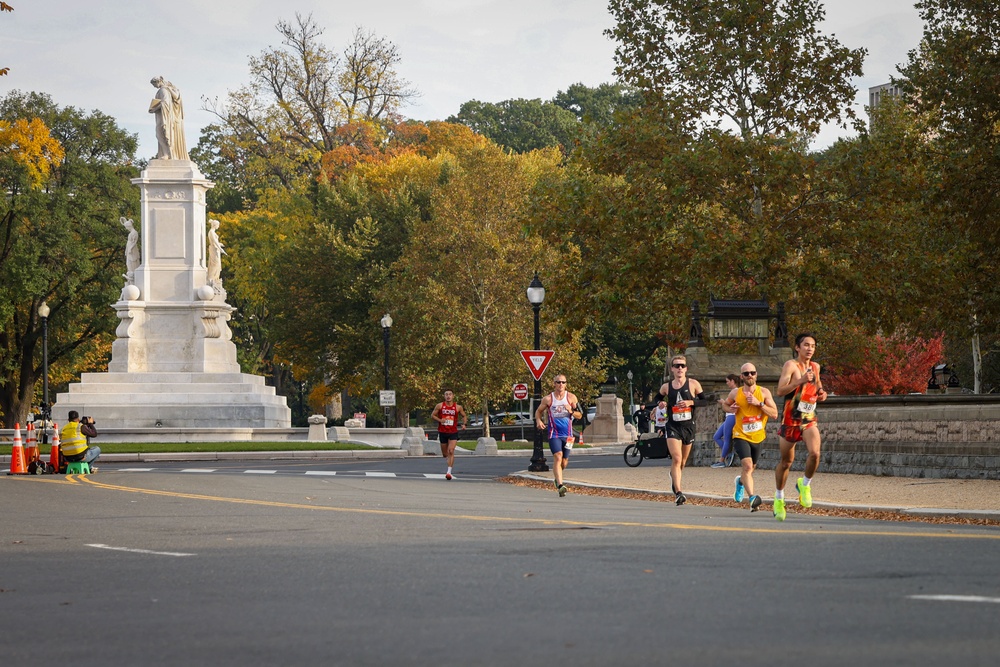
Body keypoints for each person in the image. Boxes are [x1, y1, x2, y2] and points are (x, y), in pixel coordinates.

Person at [773, 333, 829, 521]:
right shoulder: (791, 366)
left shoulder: (815, 367)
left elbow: (817, 384)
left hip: (808, 418)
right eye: (806, 345)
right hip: (790, 420)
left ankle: (805, 485)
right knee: (786, 462)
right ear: (797, 347)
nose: (810, 348)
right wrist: (799, 381)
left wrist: (821, 393)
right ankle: (779, 498)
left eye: (813, 345)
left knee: (815, 453)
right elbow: (780, 391)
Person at [723, 363, 778, 512]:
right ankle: (753, 498)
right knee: (747, 466)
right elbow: (725, 406)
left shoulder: (764, 392)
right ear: (741, 376)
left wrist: (758, 403)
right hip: (741, 434)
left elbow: (774, 414)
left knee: (751, 469)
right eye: (746, 373)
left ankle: (740, 482)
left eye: (752, 373)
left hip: (758, 436)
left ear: (756, 374)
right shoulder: (736, 393)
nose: (750, 376)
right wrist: (730, 408)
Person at [657, 355, 706, 506]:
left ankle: (674, 475)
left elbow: (704, 401)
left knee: (683, 462)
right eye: (677, 366)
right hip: (673, 426)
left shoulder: (693, 384)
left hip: (688, 426)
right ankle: (678, 493)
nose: (679, 368)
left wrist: (691, 402)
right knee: (676, 458)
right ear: (672, 369)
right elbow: (656, 400)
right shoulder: (667, 387)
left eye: (682, 366)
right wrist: (661, 404)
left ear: (686, 369)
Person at [534, 374, 582, 497]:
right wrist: (538, 421)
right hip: (554, 433)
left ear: (566, 384)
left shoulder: (571, 398)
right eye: (558, 382)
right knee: (558, 456)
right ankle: (560, 485)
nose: (561, 384)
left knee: (564, 461)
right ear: (554, 383)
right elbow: (538, 411)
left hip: (569, 435)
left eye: (563, 382)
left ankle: (557, 477)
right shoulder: (548, 399)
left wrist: (570, 410)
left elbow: (580, 415)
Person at [148, 76, 188, 160]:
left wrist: (154, 109)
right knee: (161, 134)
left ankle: (167, 153)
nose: (154, 86)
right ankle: (168, 153)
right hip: (168, 117)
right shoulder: (169, 89)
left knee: (161, 134)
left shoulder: (163, 90)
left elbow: (165, 103)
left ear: (158, 82)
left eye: (154, 84)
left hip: (165, 117)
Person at [430, 389, 467, 480]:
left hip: (453, 432)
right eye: (446, 394)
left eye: (450, 394)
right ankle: (448, 460)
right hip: (443, 431)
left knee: (451, 451)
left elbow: (464, 416)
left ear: (453, 396)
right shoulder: (440, 406)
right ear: (444, 396)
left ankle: (449, 472)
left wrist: (464, 424)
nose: (448, 396)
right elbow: (433, 415)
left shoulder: (458, 407)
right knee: (445, 454)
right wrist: (440, 420)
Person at [711, 373, 740, 468]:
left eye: (728, 381)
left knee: (727, 439)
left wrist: (724, 402)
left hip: (732, 416)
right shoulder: (734, 391)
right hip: (729, 416)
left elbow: (736, 405)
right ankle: (728, 454)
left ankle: (722, 460)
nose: (726, 383)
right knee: (716, 436)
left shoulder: (736, 391)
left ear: (732, 381)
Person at [207, 219, 227, 288]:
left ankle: (215, 279)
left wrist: (220, 245)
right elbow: (214, 241)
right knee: (215, 264)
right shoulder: (211, 232)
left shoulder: (212, 232)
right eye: (218, 225)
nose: (218, 226)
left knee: (217, 265)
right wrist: (221, 249)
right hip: (214, 249)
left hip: (216, 249)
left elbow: (216, 242)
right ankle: (211, 279)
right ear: (215, 225)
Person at [121, 217, 140, 283]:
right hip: (129, 249)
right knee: (128, 263)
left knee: (132, 263)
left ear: (129, 226)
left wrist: (130, 249)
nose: (126, 229)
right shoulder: (130, 233)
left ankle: (133, 277)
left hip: (132, 250)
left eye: (126, 227)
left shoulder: (134, 232)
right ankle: (130, 277)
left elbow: (134, 242)